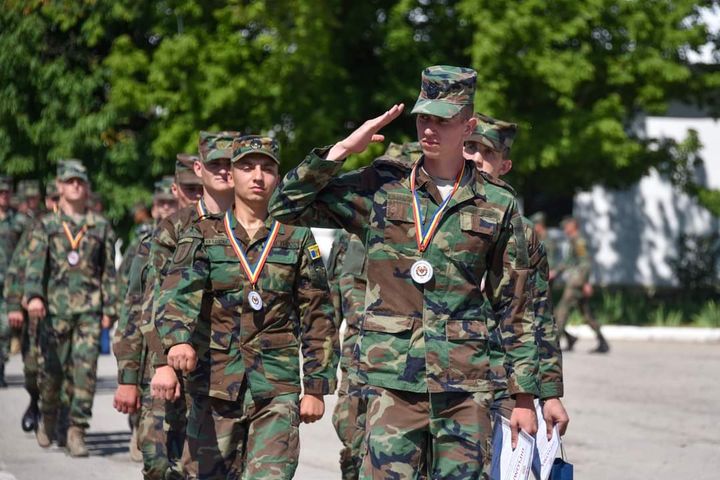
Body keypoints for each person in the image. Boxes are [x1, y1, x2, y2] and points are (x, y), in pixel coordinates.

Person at [269, 66, 539, 478]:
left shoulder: (496, 203)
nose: (429, 129)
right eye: (423, 117)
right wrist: (342, 150)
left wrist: (524, 397)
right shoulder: (381, 187)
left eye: (443, 120)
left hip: (466, 385)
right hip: (391, 381)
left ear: (467, 126)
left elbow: (514, 305)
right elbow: (284, 207)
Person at [155, 135, 339, 479]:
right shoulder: (202, 234)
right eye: (247, 167)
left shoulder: (296, 237)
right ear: (233, 174)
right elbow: (178, 292)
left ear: (277, 177)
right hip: (214, 386)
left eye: (267, 168)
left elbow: (318, 315)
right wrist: (176, 340)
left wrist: (316, 386)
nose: (258, 176)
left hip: (277, 390)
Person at [463, 113, 570, 473]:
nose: (474, 157)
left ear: (504, 165)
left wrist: (550, 393)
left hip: (504, 386)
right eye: (468, 146)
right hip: (442, 381)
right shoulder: (430, 216)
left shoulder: (521, 232)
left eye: (486, 152)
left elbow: (538, 315)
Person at [140, 142, 236, 479]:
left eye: (230, 163)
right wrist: (162, 363)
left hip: (225, 368)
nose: (224, 170)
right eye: (216, 164)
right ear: (200, 168)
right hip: (175, 358)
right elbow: (154, 301)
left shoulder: (254, 222)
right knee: (161, 459)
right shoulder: (175, 227)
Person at [24, 160, 117, 456]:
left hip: (89, 311)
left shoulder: (100, 226)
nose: (75, 185)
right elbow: (35, 265)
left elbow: (108, 272)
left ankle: (77, 430)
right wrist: (34, 296)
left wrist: (110, 307)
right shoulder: (46, 225)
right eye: (70, 181)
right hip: (54, 311)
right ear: (60, 187)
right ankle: (49, 415)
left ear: (86, 187)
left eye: (80, 181)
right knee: (51, 373)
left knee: (85, 373)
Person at [113, 176, 179, 469]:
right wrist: (127, 378)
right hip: (152, 357)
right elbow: (131, 302)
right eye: (161, 203)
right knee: (156, 461)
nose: (166, 207)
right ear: (153, 209)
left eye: (170, 202)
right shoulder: (145, 245)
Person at [5, 178, 60, 431]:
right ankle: (35, 401)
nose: (58, 204)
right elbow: (17, 268)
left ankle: (63, 419)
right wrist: (15, 305)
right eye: (53, 199)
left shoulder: (87, 227)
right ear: (48, 201)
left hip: (71, 311)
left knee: (68, 368)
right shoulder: (37, 229)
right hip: (38, 311)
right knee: (32, 367)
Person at [554, 216, 610, 353]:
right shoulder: (574, 240)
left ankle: (552, 346)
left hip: (576, 282)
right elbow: (569, 262)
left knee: (561, 311)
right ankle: (602, 342)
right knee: (586, 313)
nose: (565, 229)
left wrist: (584, 282)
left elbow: (585, 262)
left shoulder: (578, 240)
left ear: (573, 226)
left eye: (567, 226)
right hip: (578, 281)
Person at [0, 175, 29, 388]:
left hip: (9, 285)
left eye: (6, 192)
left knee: (4, 329)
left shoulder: (19, 221)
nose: (4, 196)